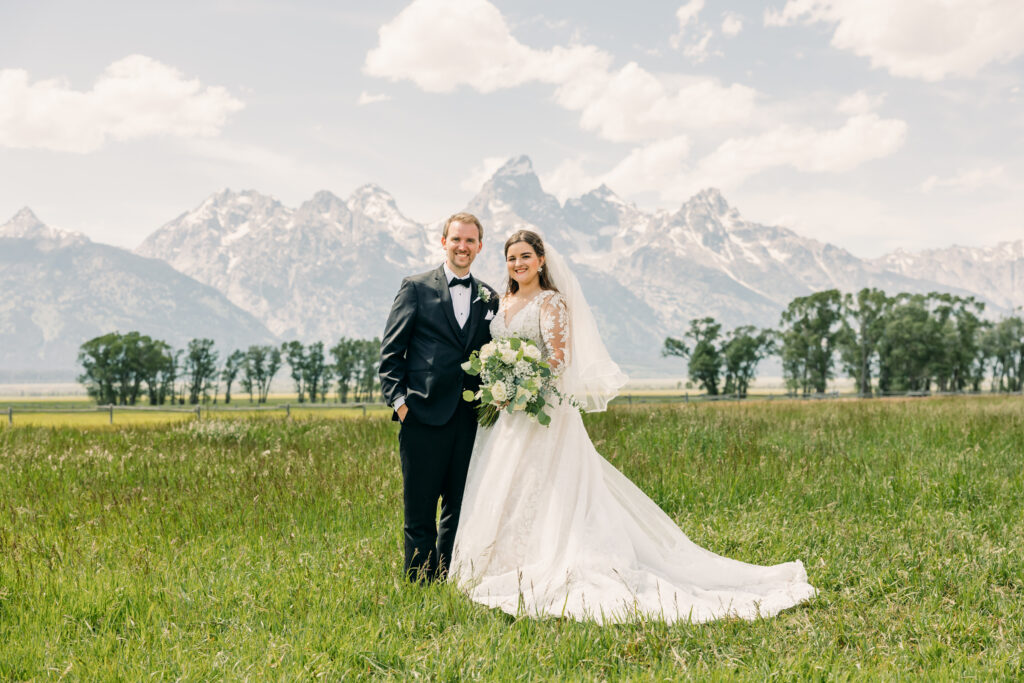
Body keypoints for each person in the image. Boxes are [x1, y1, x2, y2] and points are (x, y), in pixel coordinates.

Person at [450, 229, 817, 623]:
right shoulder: (502, 300)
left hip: (543, 411)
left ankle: (554, 561)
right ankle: (498, 564)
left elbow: (559, 359)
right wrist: (500, 380)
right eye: (511, 258)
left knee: (549, 489)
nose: (518, 264)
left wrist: (524, 382)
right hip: (507, 416)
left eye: (525, 256)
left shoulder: (551, 302)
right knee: (508, 486)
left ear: (541, 260)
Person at [379, 212, 499, 582]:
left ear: (479, 246)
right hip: (422, 417)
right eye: (456, 239)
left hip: (470, 420)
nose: (462, 247)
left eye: (470, 241)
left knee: (459, 508)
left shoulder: (490, 297)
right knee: (419, 511)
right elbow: (390, 354)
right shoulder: (415, 288)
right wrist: (400, 404)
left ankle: (449, 579)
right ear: (443, 241)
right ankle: (419, 585)